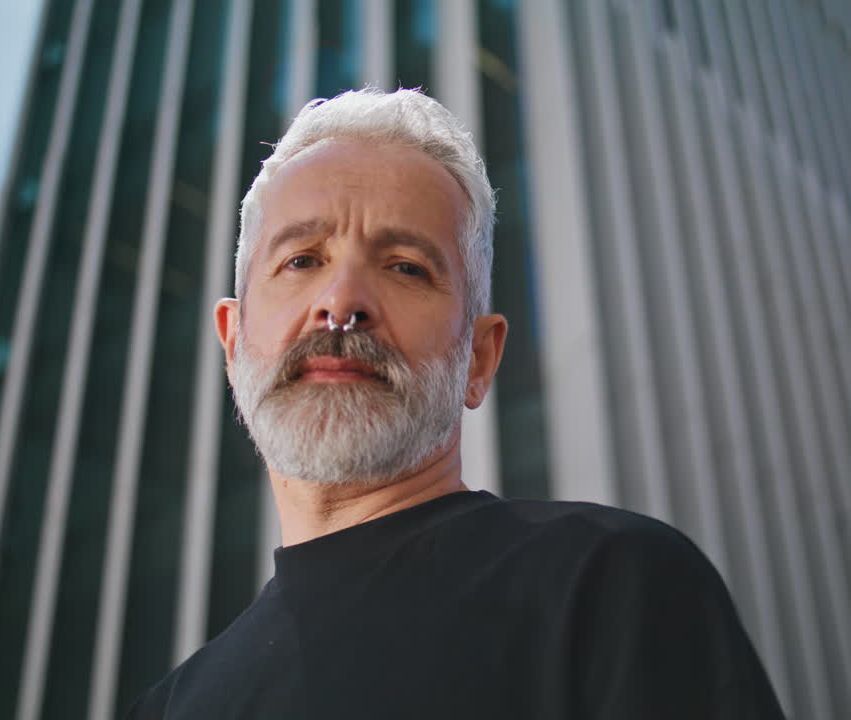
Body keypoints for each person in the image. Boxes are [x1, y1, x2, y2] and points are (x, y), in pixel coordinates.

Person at [127, 88, 784, 719]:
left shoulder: (611, 585)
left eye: (406, 267)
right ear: (233, 340)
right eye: (301, 260)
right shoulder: (165, 709)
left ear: (479, 358)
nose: (342, 301)